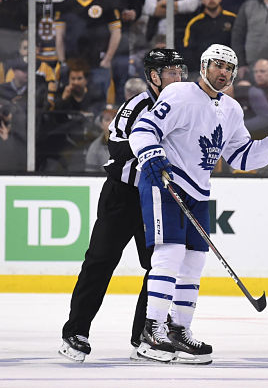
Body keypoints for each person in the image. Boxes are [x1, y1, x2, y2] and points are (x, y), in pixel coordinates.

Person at [128, 44, 268, 363]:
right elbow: (144, 129)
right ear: (203, 66)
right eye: (216, 65)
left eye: (228, 67)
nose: (222, 71)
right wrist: (151, 154)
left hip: (198, 191)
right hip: (166, 182)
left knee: (194, 262)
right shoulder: (180, 94)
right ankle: (151, 330)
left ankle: (179, 330)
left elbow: (241, 156)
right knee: (169, 254)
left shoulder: (232, 109)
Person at [59, 49, 187, 363]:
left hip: (155, 198)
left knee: (159, 266)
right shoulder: (138, 104)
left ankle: (144, 335)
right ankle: (75, 332)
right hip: (122, 195)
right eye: (171, 72)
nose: (178, 77)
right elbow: (115, 142)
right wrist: (151, 150)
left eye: (179, 71)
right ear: (154, 77)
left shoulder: (184, 107)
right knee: (99, 262)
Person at [182, 0, 237, 71]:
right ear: (202, 0)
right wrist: (201, 72)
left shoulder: (233, 19)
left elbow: (239, 45)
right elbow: (188, 51)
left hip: (229, 69)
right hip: (202, 71)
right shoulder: (194, 23)